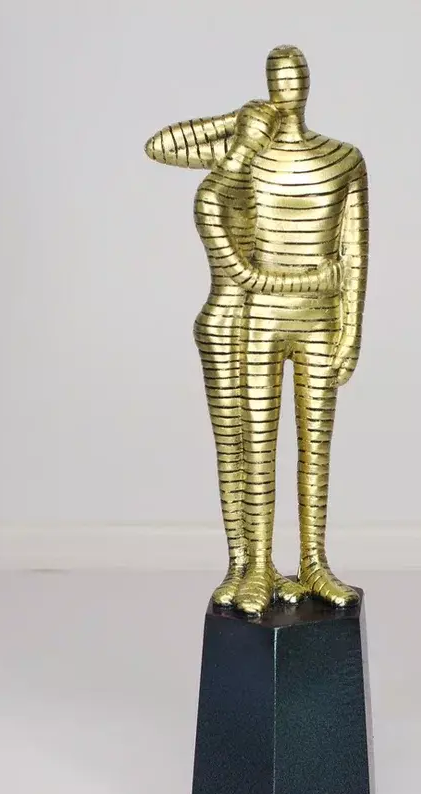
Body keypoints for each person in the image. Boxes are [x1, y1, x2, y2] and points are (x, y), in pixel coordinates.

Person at [147, 44, 368, 616]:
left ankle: (314, 562)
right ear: (268, 86)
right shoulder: (248, 156)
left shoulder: (345, 159)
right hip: (260, 319)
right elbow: (161, 145)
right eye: (278, 80)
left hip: (319, 320)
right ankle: (258, 568)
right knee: (258, 442)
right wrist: (239, 123)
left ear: (309, 85)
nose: (287, 89)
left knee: (316, 444)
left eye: (295, 79)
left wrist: (351, 334)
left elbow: (355, 253)